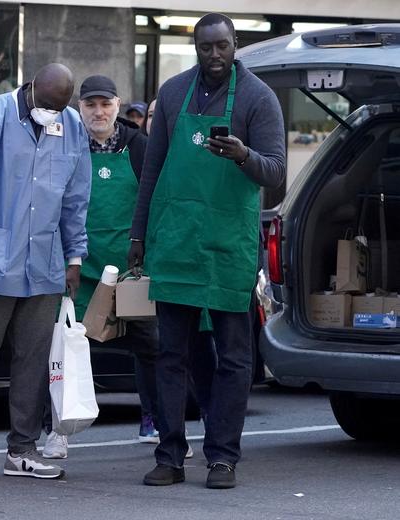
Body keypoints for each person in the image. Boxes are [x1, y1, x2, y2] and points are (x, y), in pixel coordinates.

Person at [128, 13, 285, 489]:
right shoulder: (173, 93)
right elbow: (152, 171)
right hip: (175, 242)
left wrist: (242, 156)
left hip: (227, 246)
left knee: (235, 358)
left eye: (222, 46)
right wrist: (138, 237)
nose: (214, 55)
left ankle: (222, 457)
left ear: (236, 44)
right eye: (204, 47)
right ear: (194, 46)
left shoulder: (260, 98)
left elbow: (275, 173)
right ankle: (170, 454)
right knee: (170, 352)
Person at [0, 63, 91, 480]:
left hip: (45, 262)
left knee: (33, 360)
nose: (52, 113)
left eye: (60, 108)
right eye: (47, 105)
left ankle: (21, 450)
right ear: (31, 89)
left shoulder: (72, 126)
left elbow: (77, 196)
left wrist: (75, 258)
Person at [40, 75, 159, 459]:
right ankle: (57, 430)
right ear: (80, 108)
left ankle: (157, 421)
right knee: (65, 351)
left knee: (153, 347)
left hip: (130, 269)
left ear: (118, 105)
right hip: (81, 268)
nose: (98, 111)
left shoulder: (139, 147)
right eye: (90, 104)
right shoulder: (66, 145)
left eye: (105, 104)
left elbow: (154, 204)